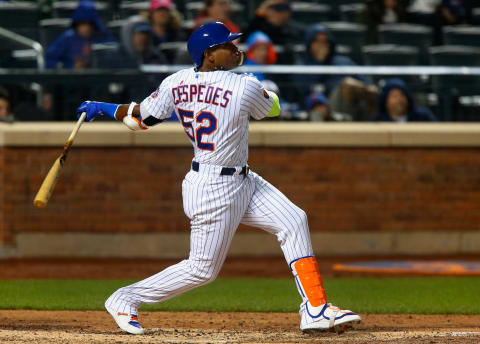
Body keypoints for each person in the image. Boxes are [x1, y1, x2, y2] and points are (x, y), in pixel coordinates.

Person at [75, 22, 361, 335]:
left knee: (293, 220)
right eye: (229, 45)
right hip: (215, 188)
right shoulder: (244, 85)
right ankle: (125, 298)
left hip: (241, 179)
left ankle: (315, 308)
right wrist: (266, 91)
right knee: (202, 270)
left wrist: (101, 106)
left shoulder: (176, 81)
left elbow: (138, 119)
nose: (237, 49)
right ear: (210, 55)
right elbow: (274, 109)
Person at [297, 24, 378, 121]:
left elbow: (367, 83)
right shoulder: (302, 66)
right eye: (317, 41)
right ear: (309, 45)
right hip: (318, 106)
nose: (322, 45)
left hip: (351, 106)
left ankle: (374, 123)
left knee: (372, 91)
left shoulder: (343, 62)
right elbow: (303, 93)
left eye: (325, 41)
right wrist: (320, 63)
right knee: (347, 84)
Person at [45, 0, 113, 69]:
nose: (86, 28)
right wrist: (69, 67)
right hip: (71, 77)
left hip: (98, 76)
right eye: (82, 24)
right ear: (76, 25)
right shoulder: (68, 38)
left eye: (89, 24)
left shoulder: (101, 37)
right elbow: (50, 59)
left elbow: (111, 58)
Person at [373, 78, 437, 122]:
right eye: (394, 96)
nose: (399, 99)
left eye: (402, 94)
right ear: (385, 102)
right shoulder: (377, 121)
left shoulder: (423, 117)